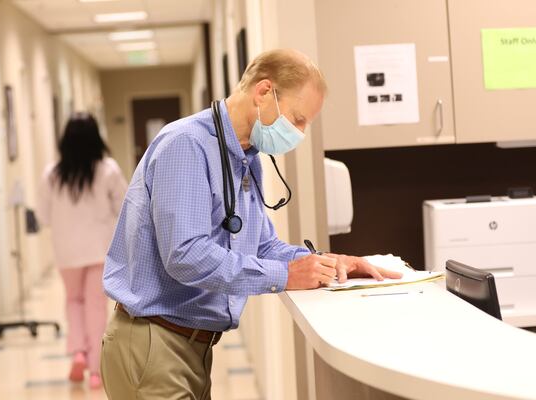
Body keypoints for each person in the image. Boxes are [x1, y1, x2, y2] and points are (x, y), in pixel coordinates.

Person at [100, 49, 402, 399]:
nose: (300, 133)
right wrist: (285, 276)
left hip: (190, 347)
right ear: (263, 92)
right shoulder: (187, 146)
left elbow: (262, 245)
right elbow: (185, 255)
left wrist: (328, 264)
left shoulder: (245, 157)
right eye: (298, 119)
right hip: (154, 343)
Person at [37, 112, 127, 390]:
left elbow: (42, 216)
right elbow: (125, 205)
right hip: (100, 249)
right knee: (95, 306)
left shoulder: (52, 175)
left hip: (67, 252)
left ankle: (77, 352)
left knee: (73, 301)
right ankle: (96, 370)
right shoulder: (108, 169)